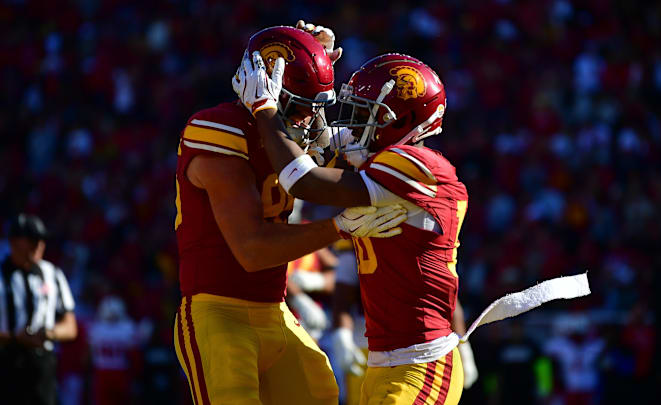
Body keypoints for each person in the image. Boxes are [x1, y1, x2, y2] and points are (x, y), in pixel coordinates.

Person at [173, 25, 406, 405]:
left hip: (275, 310)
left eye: (317, 106)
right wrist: (340, 227)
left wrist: (314, 64)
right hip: (218, 313)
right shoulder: (219, 129)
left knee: (321, 395)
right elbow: (252, 250)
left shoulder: (283, 132)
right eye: (301, 104)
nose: (308, 117)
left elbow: (319, 161)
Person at [236, 46, 471, 403]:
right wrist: (312, 68)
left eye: (368, 114)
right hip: (383, 361)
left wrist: (265, 108)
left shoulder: (419, 165)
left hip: (422, 361)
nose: (356, 123)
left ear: (404, 121)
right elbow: (317, 144)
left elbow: (304, 180)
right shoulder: (384, 166)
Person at [0, 213, 77, 405]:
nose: (39, 245)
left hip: (42, 367)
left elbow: (70, 326)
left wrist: (49, 333)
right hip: (5, 364)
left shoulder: (53, 274)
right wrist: (15, 337)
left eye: (41, 240)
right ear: (14, 242)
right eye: (33, 240)